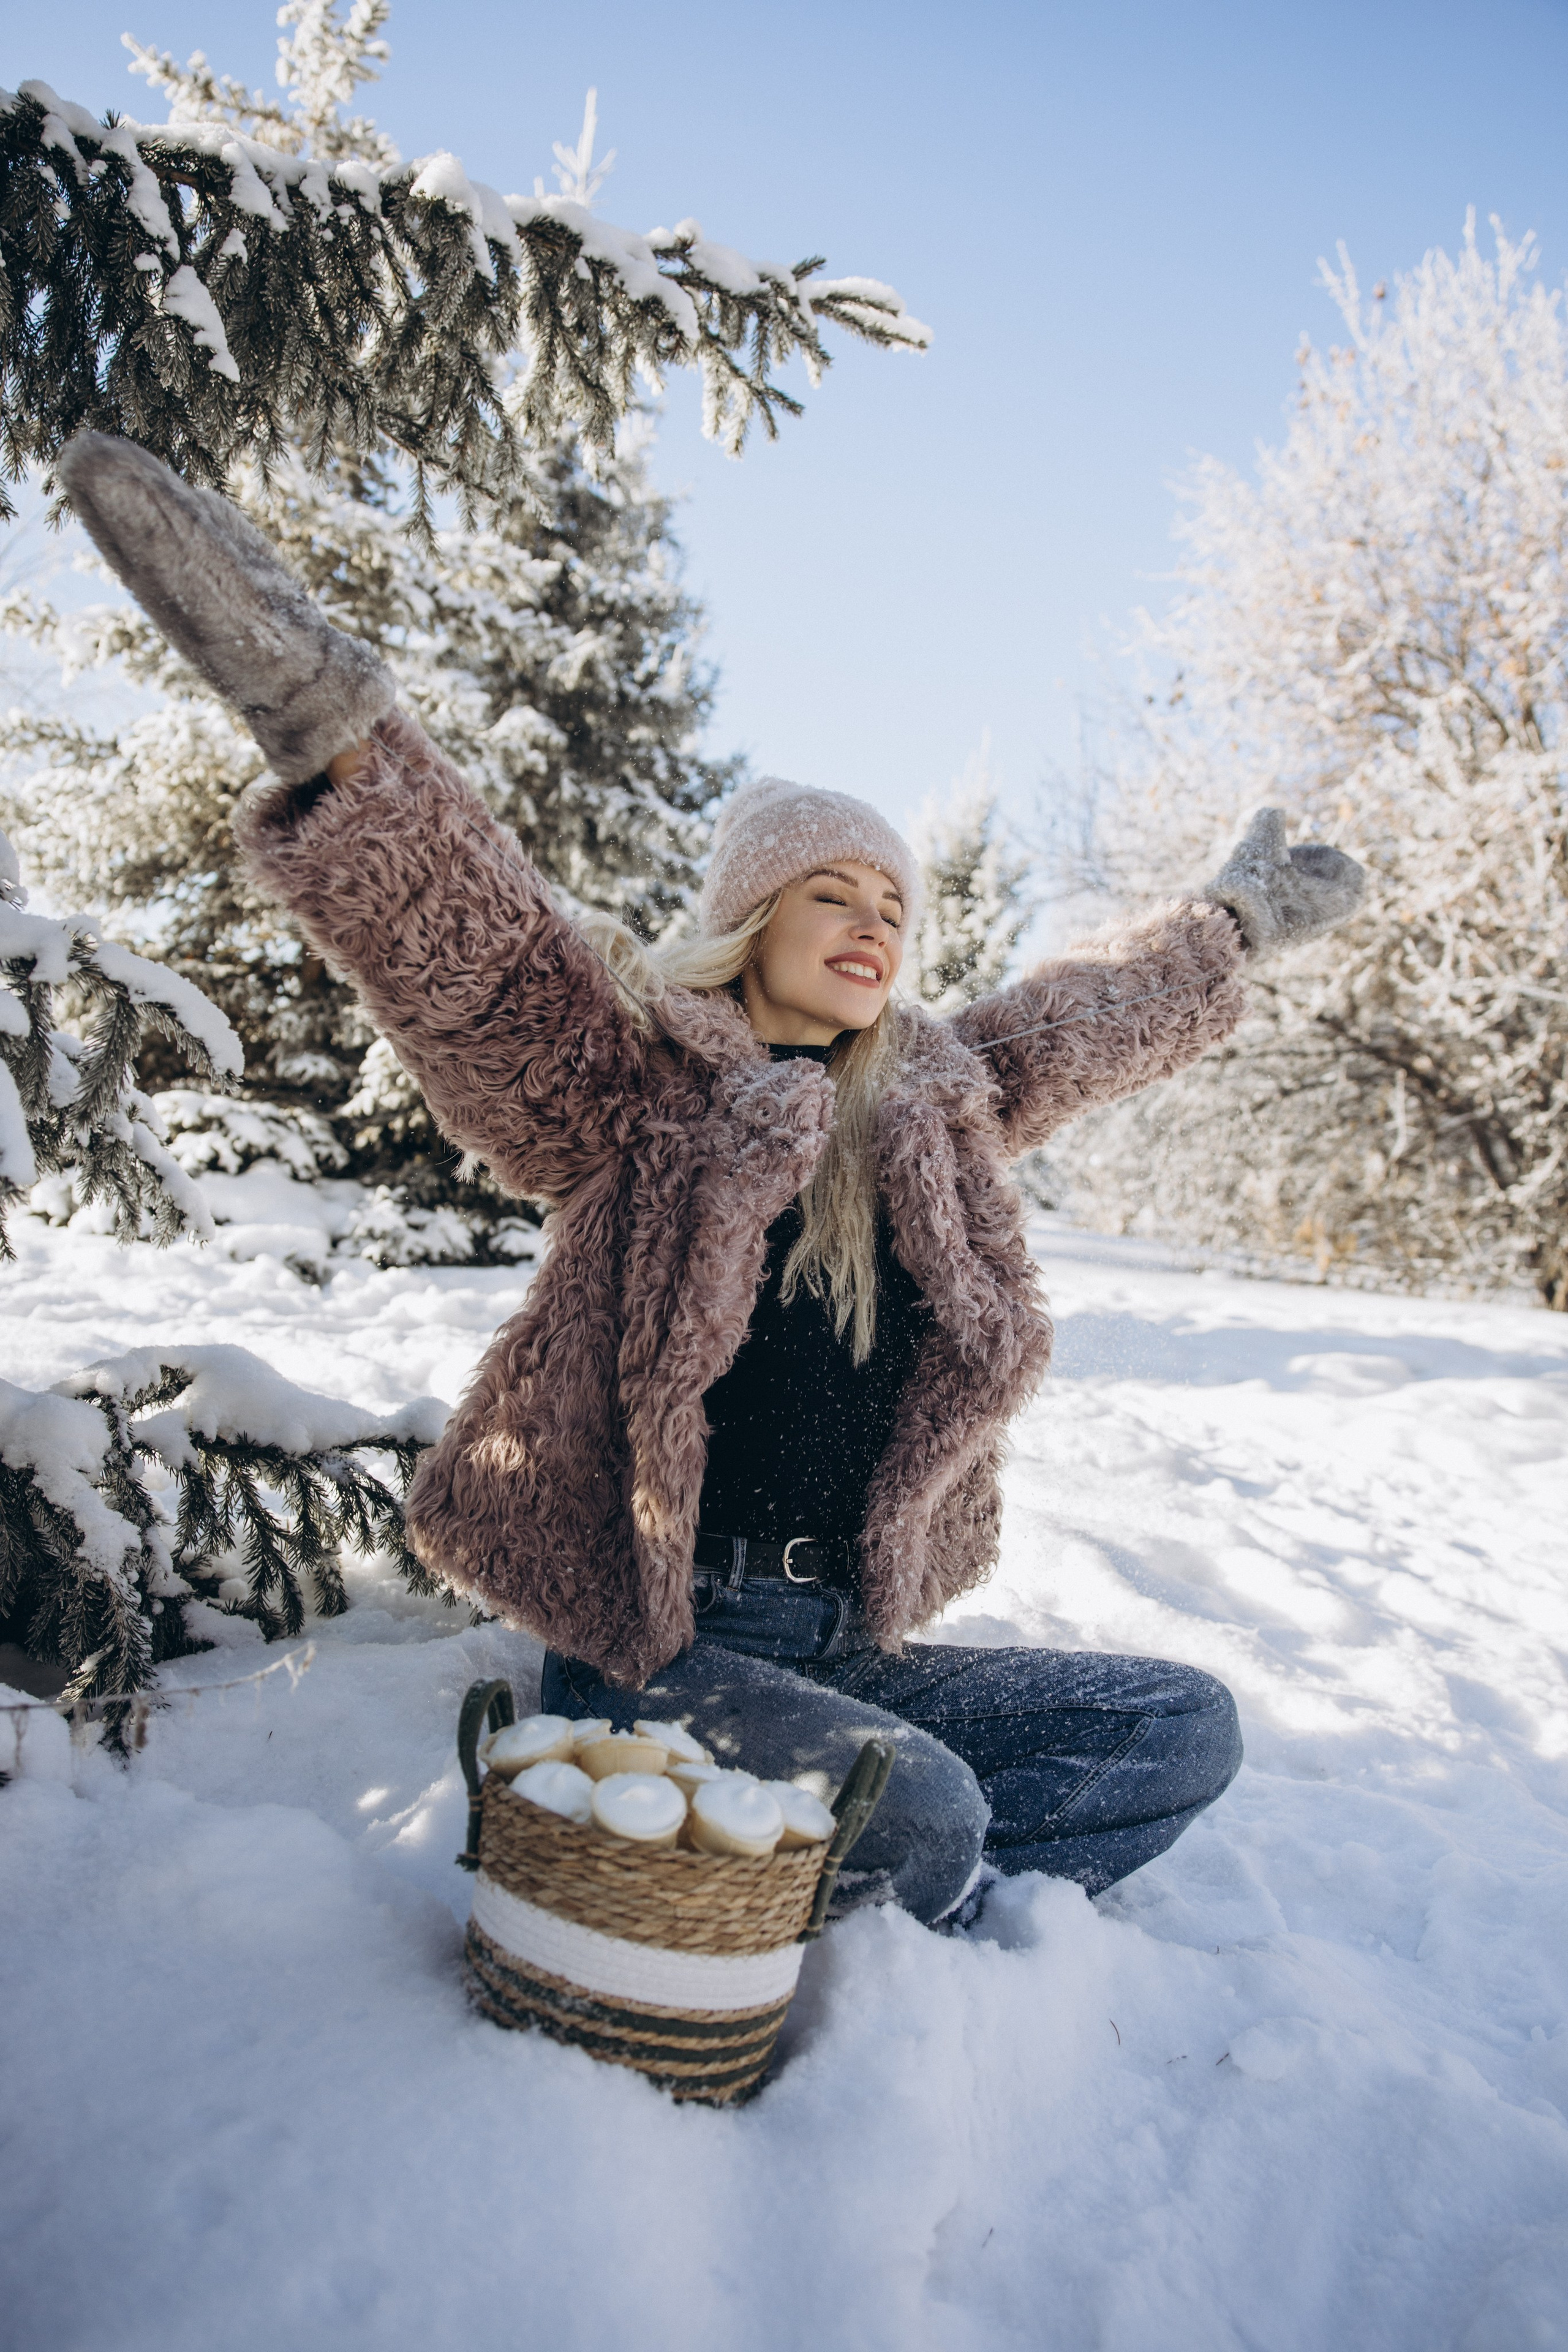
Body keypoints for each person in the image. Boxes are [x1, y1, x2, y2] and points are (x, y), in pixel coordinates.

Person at [57, 433, 1365, 1928]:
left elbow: (1082, 1019)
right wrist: (340, 735)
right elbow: (483, 958)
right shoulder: (637, 1091)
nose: (873, 923)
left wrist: (1236, 922)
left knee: (1173, 1727)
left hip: (839, 1641)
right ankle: (718, 1866)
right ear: (752, 916)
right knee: (922, 1808)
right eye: (832, 893)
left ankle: (737, 1877)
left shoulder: (931, 1109)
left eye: (891, 904)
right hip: (658, 1640)